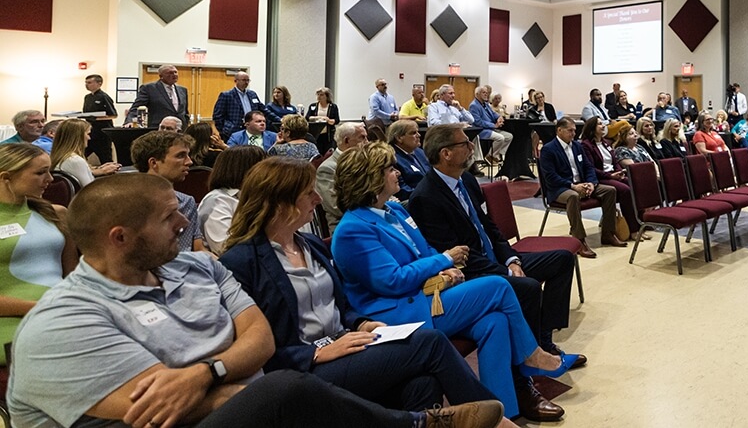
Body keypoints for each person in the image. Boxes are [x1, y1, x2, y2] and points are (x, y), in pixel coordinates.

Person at [7, 173, 497, 428]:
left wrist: (206, 373)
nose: (184, 224)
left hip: (260, 388)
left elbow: (259, 337)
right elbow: (160, 408)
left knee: (411, 380)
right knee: (285, 393)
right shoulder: (65, 320)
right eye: (167, 218)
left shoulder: (198, 266)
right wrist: (246, 381)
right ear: (119, 237)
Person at [219, 157, 509, 427]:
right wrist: (314, 354)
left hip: (347, 342)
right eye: (309, 193)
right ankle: (497, 422)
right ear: (281, 203)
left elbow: (341, 305)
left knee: (422, 383)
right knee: (430, 342)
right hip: (307, 367)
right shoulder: (243, 262)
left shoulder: (310, 245)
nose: (318, 200)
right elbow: (254, 346)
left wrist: (361, 322)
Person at [330, 142, 577, 420]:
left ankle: (502, 412)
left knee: (495, 321)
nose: (398, 172)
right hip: (398, 312)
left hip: (426, 294)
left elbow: (425, 250)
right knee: (498, 286)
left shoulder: (394, 211)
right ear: (371, 178)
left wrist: (440, 267)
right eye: (390, 168)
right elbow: (393, 281)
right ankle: (532, 355)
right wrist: (444, 261)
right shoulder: (353, 230)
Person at [410, 124, 583, 421]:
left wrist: (512, 258)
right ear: (446, 153)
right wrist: (503, 268)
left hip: (497, 259)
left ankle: (542, 342)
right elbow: (459, 256)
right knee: (526, 288)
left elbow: (489, 227)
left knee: (561, 260)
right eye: (466, 143)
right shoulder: (426, 197)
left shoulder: (465, 179)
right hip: (471, 272)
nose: (472, 148)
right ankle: (524, 383)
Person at [0, 143, 78, 364]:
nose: (51, 180)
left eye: (49, 171)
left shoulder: (56, 214)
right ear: (6, 177)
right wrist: (41, 308)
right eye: (40, 173)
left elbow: (73, 274)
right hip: (14, 323)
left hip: (61, 313)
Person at [539, 117, 624, 255]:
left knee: (610, 191)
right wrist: (572, 186)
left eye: (574, 130)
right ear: (559, 130)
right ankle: (579, 240)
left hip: (582, 184)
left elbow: (588, 167)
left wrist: (591, 182)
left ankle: (608, 233)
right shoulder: (548, 149)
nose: (573, 134)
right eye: (570, 131)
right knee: (573, 196)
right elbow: (551, 177)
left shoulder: (577, 146)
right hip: (560, 188)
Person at [131, 130, 204, 252]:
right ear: (154, 163)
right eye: (181, 156)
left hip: (187, 267)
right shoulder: (127, 204)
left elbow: (199, 249)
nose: (189, 162)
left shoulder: (187, 202)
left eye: (187, 155)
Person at [197, 145, 268, 256]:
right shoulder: (217, 200)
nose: (269, 174)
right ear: (245, 170)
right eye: (264, 168)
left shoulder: (260, 198)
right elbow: (224, 248)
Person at [580, 117, 641, 238]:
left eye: (603, 124)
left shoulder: (605, 143)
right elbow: (590, 168)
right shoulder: (586, 145)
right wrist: (610, 176)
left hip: (613, 174)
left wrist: (619, 171)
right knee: (625, 190)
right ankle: (633, 230)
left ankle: (640, 223)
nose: (603, 126)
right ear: (592, 128)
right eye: (599, 124)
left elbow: (615, 161)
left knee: (635, 184)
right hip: (601, 177)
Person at [317, 122, 367, 233]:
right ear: (346, 141)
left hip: (368, 218)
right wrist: (371, 209)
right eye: (362, 138)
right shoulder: (327, 169)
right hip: (345, 226)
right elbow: (336, 207)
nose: (367, 142)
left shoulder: (363, 161)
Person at [51, 118, 120, 187]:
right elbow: (90, 190)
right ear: (78, 137)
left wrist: (99, 170)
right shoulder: (75, 160)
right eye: (88, 134)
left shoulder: (59, 157)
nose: (89, 138)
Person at [212, 71, 271, 140]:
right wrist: (223, 130)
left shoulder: (252, 94)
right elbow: (218, 115)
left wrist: (279, 119)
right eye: (243, 80)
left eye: (248, 80)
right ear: (235, 81)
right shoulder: (227, 95)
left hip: (251, 129)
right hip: (232, 131)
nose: (246, 82)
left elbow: (263, 109)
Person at [470, 85, 513, 165]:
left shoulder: (485, 104)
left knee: (509, 136)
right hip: (482, 130)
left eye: (486, 93)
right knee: (500, 138)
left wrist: (499, 117)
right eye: (483, 93)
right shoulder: (474, 106)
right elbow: (478, 122)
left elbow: (493, 114)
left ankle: (493, 155)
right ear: (477, 94)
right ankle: (491, 156)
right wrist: (493, 125)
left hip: (490, 129)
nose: (486, 94)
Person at [387, 119, 429, 199]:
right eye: (413, 133)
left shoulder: (419, 151)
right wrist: (427, 196)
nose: (419, 135)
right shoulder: (392, 157)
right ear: (399, 138)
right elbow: (401, 189)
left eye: (417, 132)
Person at [82, 73, 118, 164]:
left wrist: (96, 118)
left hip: (102, 134)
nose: (87, 85)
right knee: (81, 155)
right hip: (90, 133)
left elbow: (113, 115)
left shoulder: (104, 97)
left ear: (99, 83)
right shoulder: (87, 97)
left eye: (90, 82)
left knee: (106, 159)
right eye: (86, 83)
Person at [307, 86, 341, 153]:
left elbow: (337, 120)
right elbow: (308, 117)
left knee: (327, 151)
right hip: (316, 133)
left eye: (321, 95)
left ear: (327, 96)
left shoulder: (333, 106)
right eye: (318, 95)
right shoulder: (313, 106)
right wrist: (319, 117)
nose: (319, 96)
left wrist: (328, 120)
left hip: (328, 134)